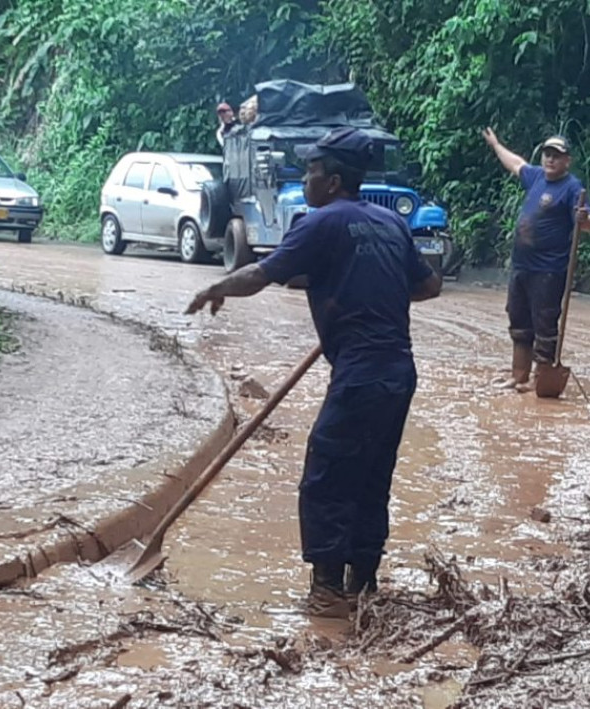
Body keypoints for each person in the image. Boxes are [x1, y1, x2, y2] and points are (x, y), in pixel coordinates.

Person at [185, 127, 442, 617]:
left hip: (361, 371)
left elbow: (261, 274)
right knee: (371, 474)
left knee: (325, 474)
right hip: (398, 372)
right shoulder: (390, 223)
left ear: (333, 182)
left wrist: (216, 287)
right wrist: (369, 293)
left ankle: (326, 590)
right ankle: (363, 584)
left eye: (312, 171)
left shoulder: (318, 221)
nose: (305, 179)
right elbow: (429, 286)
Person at [482, 129, 590, 391]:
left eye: (556, 156)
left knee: (544, 322)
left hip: (549, 270)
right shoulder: (536, 177)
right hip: (522, 266)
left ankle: (540, 378)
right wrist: (496, 145)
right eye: (547, 154)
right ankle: (518, 375)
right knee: (518, 320)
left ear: (567, 160)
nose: (550, 160)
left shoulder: (572, 188)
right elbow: (516, 164)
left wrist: (584, 219)